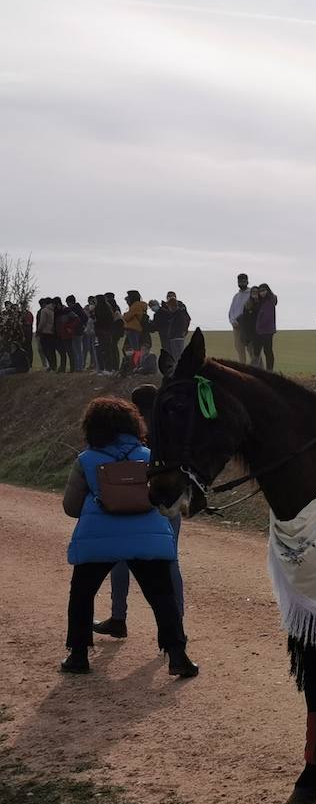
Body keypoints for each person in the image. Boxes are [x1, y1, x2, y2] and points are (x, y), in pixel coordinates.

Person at [61, 397, 197, 677]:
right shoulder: (149, 457)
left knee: (82, 593)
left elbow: (71, 507)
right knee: (162, 596)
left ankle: (78, 655)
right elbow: (168, 501)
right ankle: (177, 655)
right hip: (146, 537)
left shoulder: (86, 460)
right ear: (133, 425)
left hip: (99, 538)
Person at [95, 384, 185, 639]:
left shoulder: (127, 432)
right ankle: (177, 624)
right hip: (167, 504)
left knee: (121, 559)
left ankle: (118, 617)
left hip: (132, 503)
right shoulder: (173, 430)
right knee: (170, 563)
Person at [228, 273, 252, 363]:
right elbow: (231, 312)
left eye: (243, 281)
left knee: (251, 350)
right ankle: (243, 369)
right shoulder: (236, 296)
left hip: (247, 327)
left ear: (247, 281)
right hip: (236, 327)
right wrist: (232, 321)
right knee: (239, 349)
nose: (241, 283)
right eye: (240, 281)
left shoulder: (251, 294)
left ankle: (257, 369)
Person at [254, 283, 278, 372]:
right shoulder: (262, 301)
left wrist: (259, 326)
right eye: (260, 291)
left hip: (267, 330)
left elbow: (267, 316)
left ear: (267, 290)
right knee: (263, 351)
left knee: (267, 351)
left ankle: (269, 370)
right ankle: (266, 369)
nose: (262, 293)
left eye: (263, 290)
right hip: (263, 330)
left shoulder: (270, 300)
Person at [165, 291, 191, 362]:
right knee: (174, 355)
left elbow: (187, 319)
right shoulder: (167, 307)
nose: (170, 297)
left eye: (172, 296)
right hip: (171, 335)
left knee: (178, 355)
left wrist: (185, 330)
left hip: (177, 335)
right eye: (168, 296)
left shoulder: (181, 309)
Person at [123, 290, 147, 360]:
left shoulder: (135, 305)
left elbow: (127, 318)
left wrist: (124, 314)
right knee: (136, 348)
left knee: (134, 349)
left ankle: (137, 364)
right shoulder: (141, 305)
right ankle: (137, 363)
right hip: (138, 329)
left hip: (133, 329)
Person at [35, 298, 57, 371]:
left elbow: (42, 322)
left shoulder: (44, 311)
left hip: (45, 332)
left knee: (45, 350)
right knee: (52, 350)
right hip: (52, 332)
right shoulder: (54, 310)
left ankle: (51, 365)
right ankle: (54, 365)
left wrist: (38, 331)